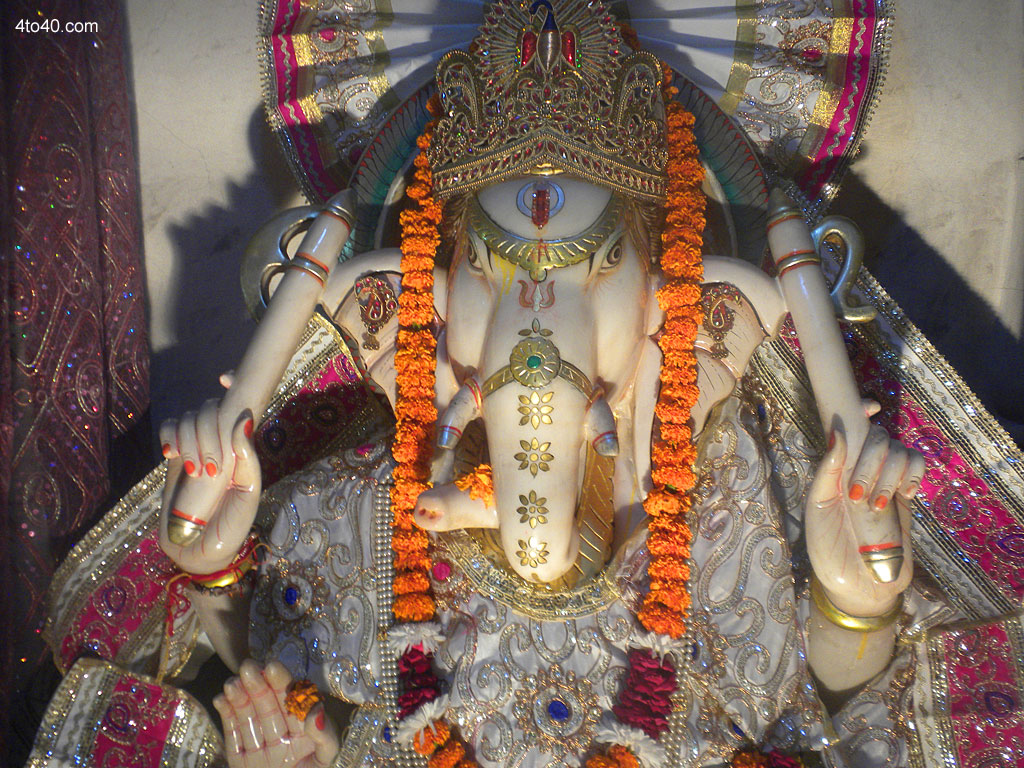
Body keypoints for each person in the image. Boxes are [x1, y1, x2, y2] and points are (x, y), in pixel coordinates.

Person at [28, 2, 1023, 767]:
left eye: (592, 268)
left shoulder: (736, 497)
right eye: (497, 273)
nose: (537, 322)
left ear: (678, 304)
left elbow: (840, 707)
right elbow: (277, 698)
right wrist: (225, 596)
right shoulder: (348, 514)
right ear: (414, 302)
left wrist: (852, 602)